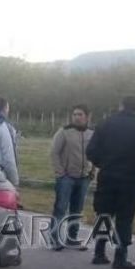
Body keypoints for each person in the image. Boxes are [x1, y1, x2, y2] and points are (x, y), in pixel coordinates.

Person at [86, 96, 135, 269]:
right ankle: (121, 256)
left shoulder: (105, 124)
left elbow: (91, 150)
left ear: (121, 106)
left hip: (108, 176)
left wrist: (102, 163)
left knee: (104, 213)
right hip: (130, 178)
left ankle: (99, 252)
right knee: (125, 218)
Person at [50, 105, 94, 250]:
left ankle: (72, 238)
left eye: (80, 114)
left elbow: (95, 154)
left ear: (87, 116)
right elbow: (54, 153)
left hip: (84, 178)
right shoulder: (64, 132)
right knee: (60, 208)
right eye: (74, 114)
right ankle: (55, 238)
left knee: (77, 210)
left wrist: (93, 171)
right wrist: (60, 173)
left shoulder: (91, 133)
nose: (76, 117)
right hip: (66, 177)